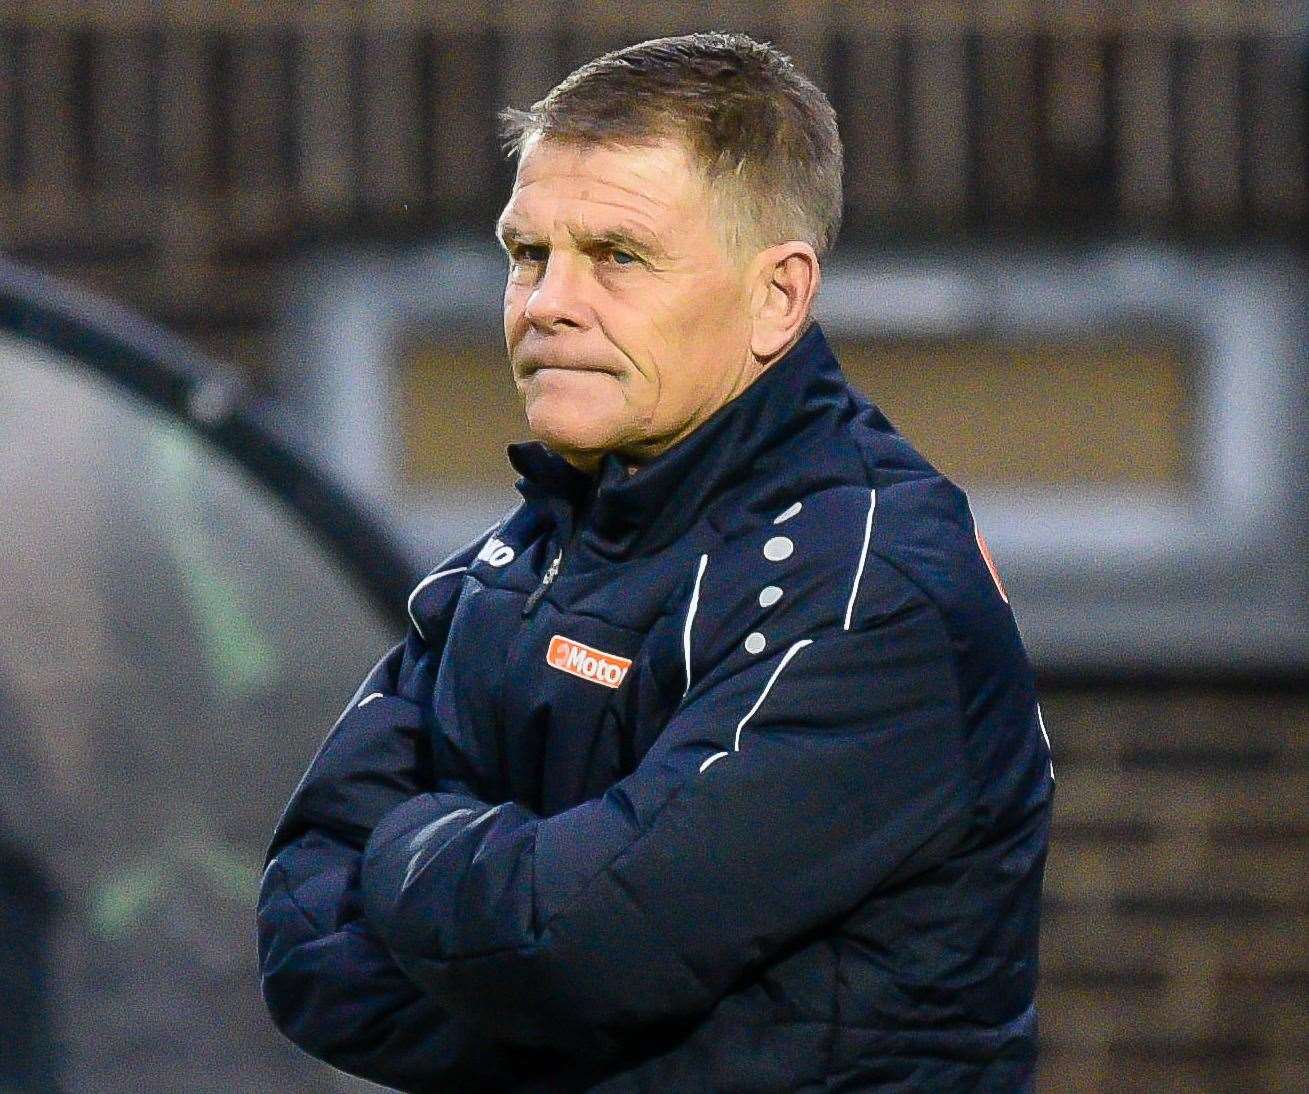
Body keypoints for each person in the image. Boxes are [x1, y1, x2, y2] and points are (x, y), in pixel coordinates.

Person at [257, 31, 1054, 1092]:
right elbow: (301, 930)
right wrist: (540, 978)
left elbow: (578, 944)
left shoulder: (871, 584)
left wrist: (414, 859)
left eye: (616, 257)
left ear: (777, 296)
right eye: (527, 253)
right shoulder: (518, 554)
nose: (545, 302)